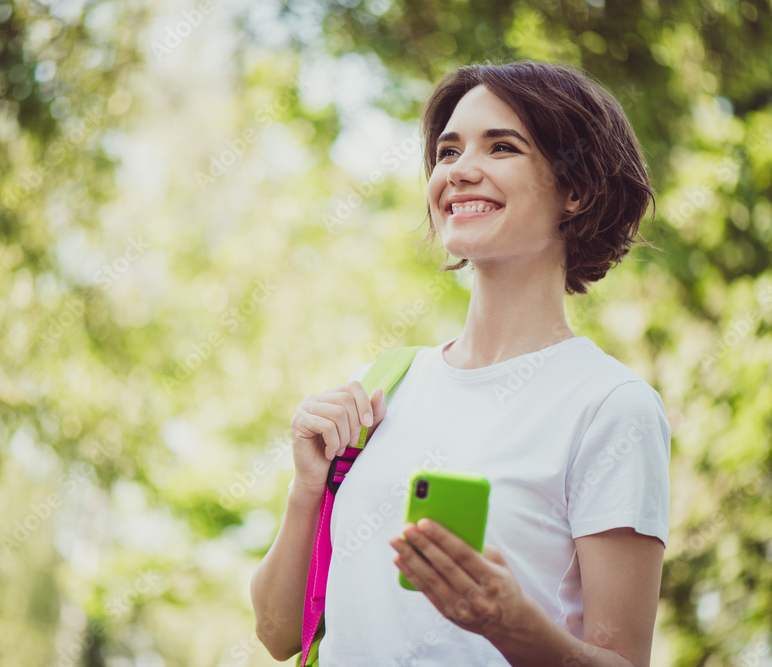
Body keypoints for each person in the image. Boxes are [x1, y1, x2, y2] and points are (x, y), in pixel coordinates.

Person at [250, 60, 671, 666]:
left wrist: (512, 624)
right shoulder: (382, 384)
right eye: (447, 153)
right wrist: (306, 490)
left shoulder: (609, 405)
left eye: (502, 147)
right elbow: (277, 633)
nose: (460, 171)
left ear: (575, 190)